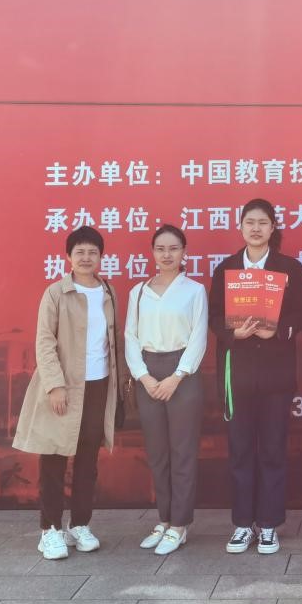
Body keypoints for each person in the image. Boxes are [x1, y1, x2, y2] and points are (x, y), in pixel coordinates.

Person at [13, 226, 123, 560]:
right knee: (54, 458)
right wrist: (55, 385)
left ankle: (80, 525)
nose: (86, 258)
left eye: (93, 252)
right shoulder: (56, 293)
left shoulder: (108, 292)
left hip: (99, 384)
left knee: (88, 460)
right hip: (64, 387)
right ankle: (49, 530)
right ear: (68, 257)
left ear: (101, 257)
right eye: (80, 252)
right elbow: (44, 341)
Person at [209, 198, 302, 556]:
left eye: (262, 222)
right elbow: (214, 316)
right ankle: (242, 524)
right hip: (237, 375)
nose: (255, 228)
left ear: (273, 227)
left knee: (272, 450)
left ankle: (268, 525)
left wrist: (279, 330)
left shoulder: (289, 268)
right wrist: (231, 333)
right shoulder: (226, 269)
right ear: (240, 226)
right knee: (239, 451)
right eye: (249, 222)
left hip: (276, 376)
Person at [125, 224, 207, 556]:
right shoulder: (138, 292)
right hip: (148, 372)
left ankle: (180, 525)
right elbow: (130, 336)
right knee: (157, 453)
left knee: (182, 452)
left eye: (174, 248)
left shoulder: (194, 290)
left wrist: (178, 376)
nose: (167, 254)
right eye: (160, 248)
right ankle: (164, 518)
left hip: (182, 374)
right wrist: (144, 376)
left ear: (184, 252)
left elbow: (199, 336)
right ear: (152, 252)